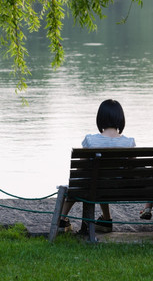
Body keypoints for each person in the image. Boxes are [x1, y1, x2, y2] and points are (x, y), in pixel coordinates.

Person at [59, 99, 136, 233]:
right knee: (102, 180)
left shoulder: (90, 140)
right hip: (117, 188)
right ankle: (106, 220)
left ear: (100, 118)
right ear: (120, 118)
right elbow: (132, 169)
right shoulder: (129, 142)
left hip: (93, 186)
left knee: (86, 181)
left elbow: (80, 170)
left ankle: (62, 220)